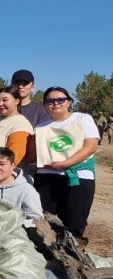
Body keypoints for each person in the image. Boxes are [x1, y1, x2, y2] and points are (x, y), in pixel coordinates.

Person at [34, 87, 100, 239]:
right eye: (50, 101)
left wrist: (65, 164)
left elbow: (91, 146)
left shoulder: (82, 119)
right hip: (46, 178)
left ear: (69, 102)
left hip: (77, 176)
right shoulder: (41, 126)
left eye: (60, 100)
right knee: (46, 223)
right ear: (45, 105)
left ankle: (74, 258)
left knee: (74, 222)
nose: (55, 103)